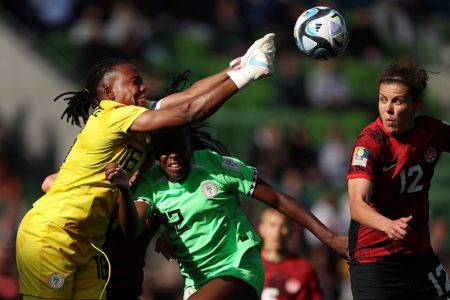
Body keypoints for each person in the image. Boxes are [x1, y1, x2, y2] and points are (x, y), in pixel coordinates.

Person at [16, 32, 276, 300]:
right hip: (53, 238)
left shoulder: (135, 119)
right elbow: (188, 112)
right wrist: (248, 75)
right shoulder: (112, 115)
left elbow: (184, 98)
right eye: (135, 82)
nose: (143, 88)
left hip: (88, 245)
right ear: (109, 93)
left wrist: (237, 67)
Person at [105, 124, 349, 300]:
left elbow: (276, 198)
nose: (174, 156)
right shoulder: (152, 182)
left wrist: (328, 237)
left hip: (237, 267)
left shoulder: (215, 166)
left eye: (179, 148)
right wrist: (124, 191)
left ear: (190, 145)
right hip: (196, 281)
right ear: (156, 154)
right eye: (165, 151)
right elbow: (132, 229)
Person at [347, 61, 450, 300]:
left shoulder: (431, 131)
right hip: (375, 259)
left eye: (397, 101)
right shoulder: (370, 143)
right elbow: (357, 205)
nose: (388, 110)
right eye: (383, 100)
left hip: (418, 254)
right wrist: (388, 225)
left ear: (416, 106)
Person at [258, 207, 323, 300]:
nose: (277, 232)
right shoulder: (246, 266)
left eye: (283, 226)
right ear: (261, 228)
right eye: (272, 225)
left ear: (291, 230)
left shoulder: (305, 268)